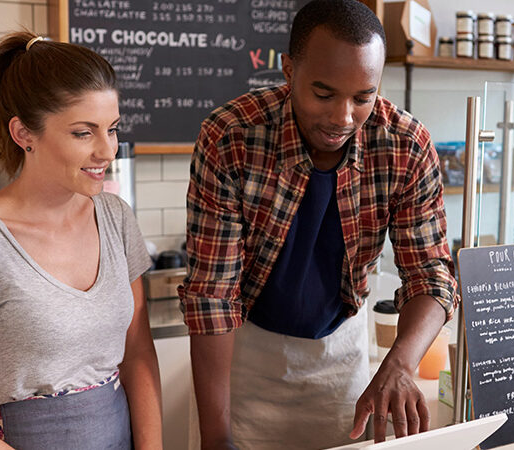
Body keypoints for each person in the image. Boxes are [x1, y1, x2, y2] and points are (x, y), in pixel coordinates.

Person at [179, 0, 457, 448]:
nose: (342, 117)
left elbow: (430, 274)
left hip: (341, 360)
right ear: (289, 71)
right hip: (243, 362)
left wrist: (400, 363)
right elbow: (213, 297)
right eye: (323, 93)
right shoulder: (231, 137)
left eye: (363, 96)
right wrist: (216, 436)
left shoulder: (405, 145)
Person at [0, 32, 162, 448]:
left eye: (113, 128)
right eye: (83, 133)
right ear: (23, 133)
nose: (107, 150)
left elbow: (138, 352)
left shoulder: (116, 217)